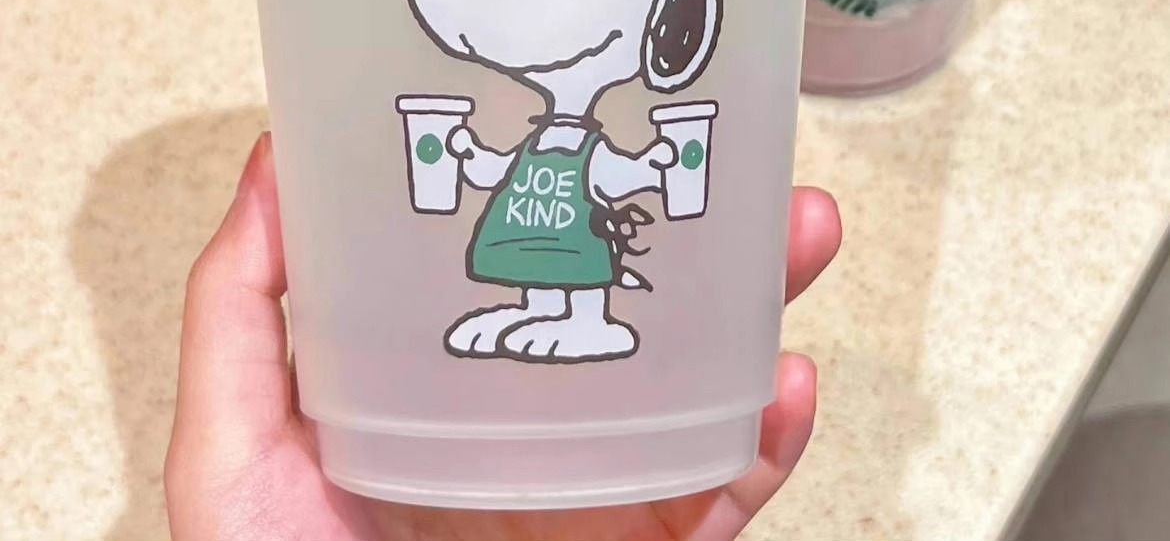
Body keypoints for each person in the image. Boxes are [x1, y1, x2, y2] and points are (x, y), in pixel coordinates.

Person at [165, 134, 843, 541]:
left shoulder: (590, 149)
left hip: (577, 243)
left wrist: (660, 161)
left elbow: (621, 174)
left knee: (578, 277)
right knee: (535, 279)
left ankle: (588, 324)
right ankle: (540, 317)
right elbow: (495, 170)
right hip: (531, 242)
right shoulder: (533, 144)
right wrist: (465, 153)